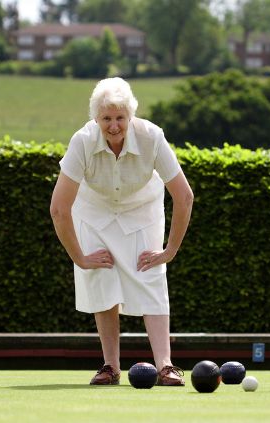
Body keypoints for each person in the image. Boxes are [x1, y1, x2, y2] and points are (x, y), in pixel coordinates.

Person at [50, 77, 193, 386]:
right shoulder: (82, 141)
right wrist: (81, 258)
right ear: (95, 118)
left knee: (150, 273)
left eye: (120, 118)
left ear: (131, 116)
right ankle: (110, 367)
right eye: (106, 118)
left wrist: (170, 251)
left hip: (142, 209)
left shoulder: (152, 137)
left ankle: (165, 366)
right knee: (101, 275)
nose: (113, 126)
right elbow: (59, 209)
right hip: (94, 211)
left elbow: (184, 196)